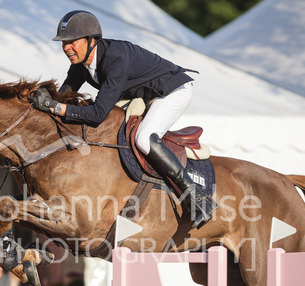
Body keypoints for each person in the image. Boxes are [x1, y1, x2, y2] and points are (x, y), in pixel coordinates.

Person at [29, 10, 217, 229]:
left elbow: (97, 114)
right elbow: (64, 97)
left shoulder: (115, 58)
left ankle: (196, 197)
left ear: (91, 40)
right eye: (64, 43)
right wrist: (39, 99)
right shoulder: (80, 65)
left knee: (144, 138)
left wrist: (55, 106)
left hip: (172, 91)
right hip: (145, 94)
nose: (66, 47)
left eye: (72, 42)